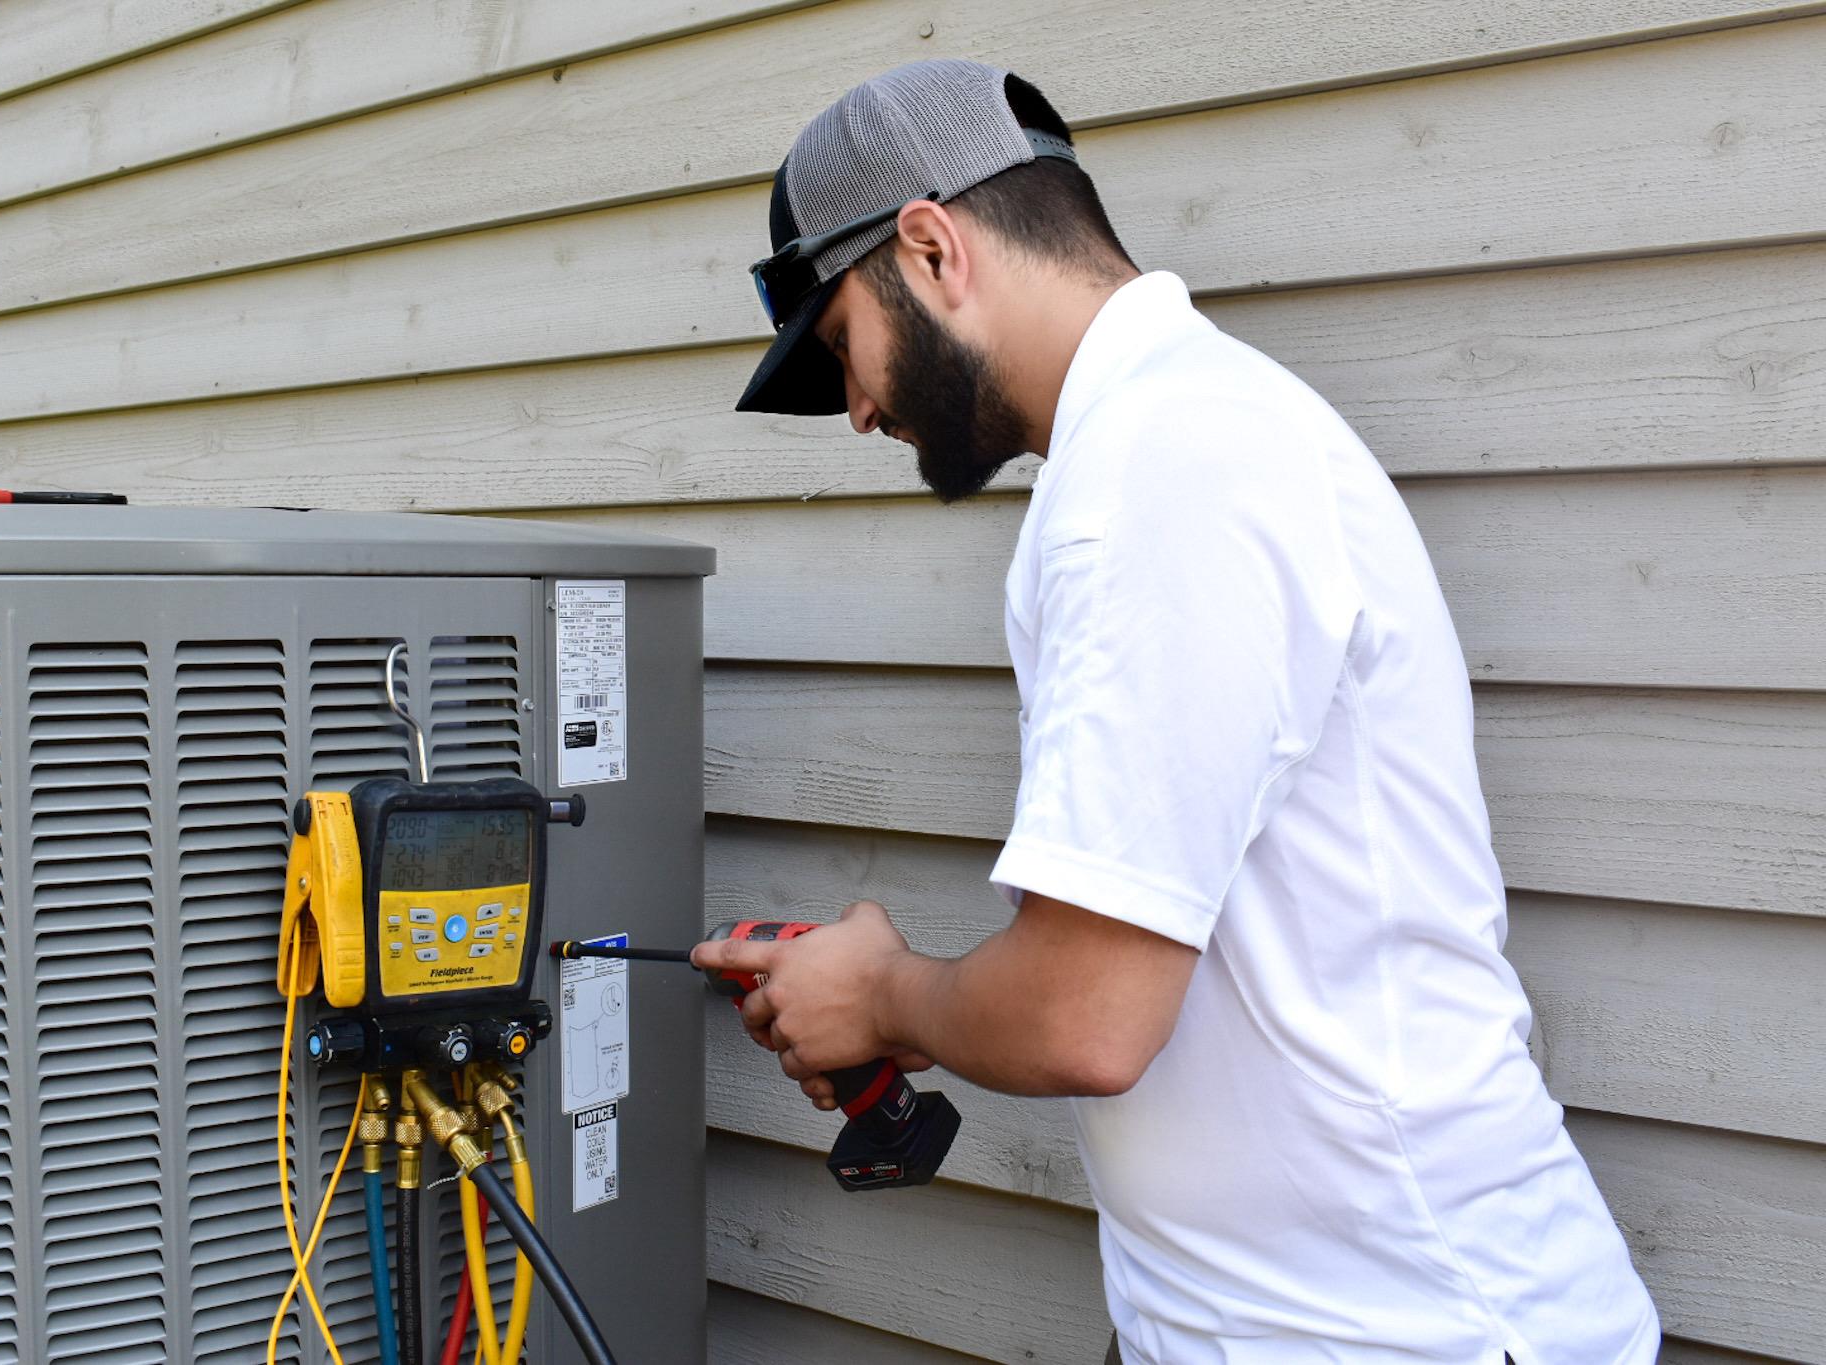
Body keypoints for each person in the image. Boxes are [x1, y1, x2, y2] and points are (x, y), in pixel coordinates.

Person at [689, 59, 1661, 1365]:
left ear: (930, 248)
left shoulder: (1166, 465)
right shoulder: (1165, 447)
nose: (859, 409)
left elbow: (1088, 1013)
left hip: (1405, 1332)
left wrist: (885, 995)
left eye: (843, 346)